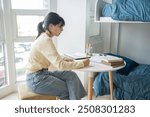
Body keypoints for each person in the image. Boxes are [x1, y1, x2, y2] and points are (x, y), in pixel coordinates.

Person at [26, 12, 90, 100]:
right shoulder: (45, 40)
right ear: (51, 26)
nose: (62, 29)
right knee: (67, 90)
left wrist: (64, 58)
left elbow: (49, 55)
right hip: (36, 80)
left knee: (71, 75)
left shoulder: (43, 37)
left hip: (41, 74)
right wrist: (82, 63)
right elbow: (60, 65)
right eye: (60, 26)